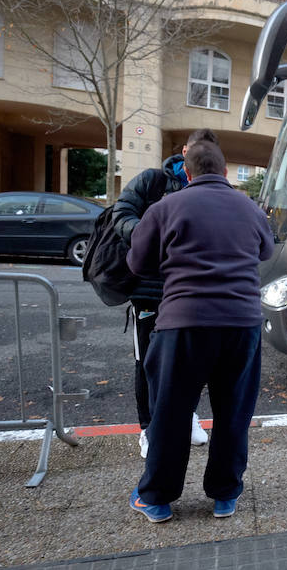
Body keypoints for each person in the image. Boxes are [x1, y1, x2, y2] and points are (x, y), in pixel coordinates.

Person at [126, 140, 274, 522]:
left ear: (187, 173)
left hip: (183, 323)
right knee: (233, 413)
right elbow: (266, 252)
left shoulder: (165, 208)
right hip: (242, 324)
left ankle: (156, 498)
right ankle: (225, 494)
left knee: (170, 414)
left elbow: (137, 262)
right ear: (225, 172)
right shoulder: (251, 208)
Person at [113, 129, 217, 458]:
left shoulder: (212, 190)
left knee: (190, 362)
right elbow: (121, 215)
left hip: (191, 293)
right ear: (184, 151)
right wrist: (154, 235)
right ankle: (148, 428)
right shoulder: (153, 181)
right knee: (148, 362)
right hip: (150, 291)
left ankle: (186, 416)